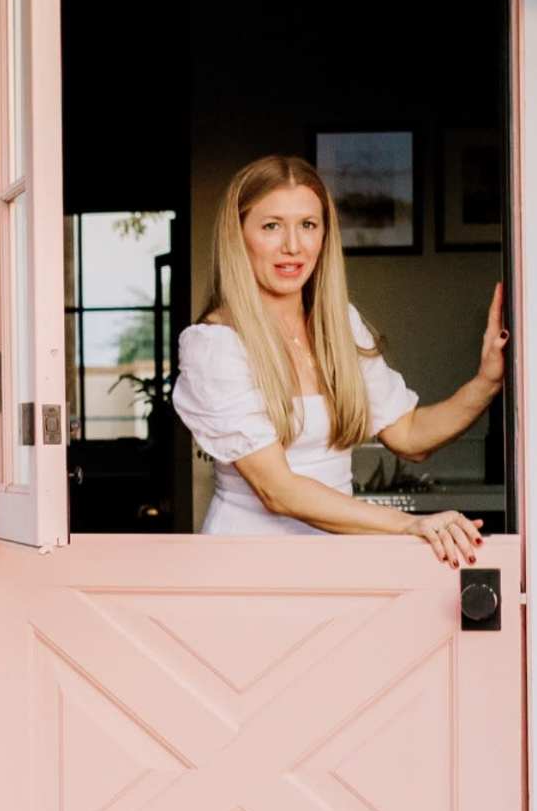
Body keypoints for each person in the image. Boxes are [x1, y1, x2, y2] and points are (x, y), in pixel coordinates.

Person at [170, 153, 507, 560]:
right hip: (247, 564)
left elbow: (410, 436)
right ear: (238, 235)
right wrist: (409, 524)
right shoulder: (215, 346)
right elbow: (277, 491)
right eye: (272, 226)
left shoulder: (340, 325)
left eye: (308, 225)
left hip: (337, 562)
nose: (293, 246)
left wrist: (487, 381)